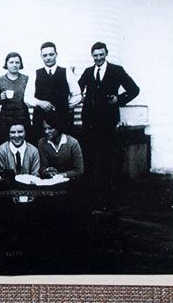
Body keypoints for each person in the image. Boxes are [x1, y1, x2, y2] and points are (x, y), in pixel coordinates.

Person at [77, 41, 140, 200]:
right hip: (89, 121)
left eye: (101, 55)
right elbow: (76, 89)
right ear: (92, 56)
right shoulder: (88, 71)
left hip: (107, 122)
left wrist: (118, 99)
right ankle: (90, 194)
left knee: (106, 157)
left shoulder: (116, 70)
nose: (98, 58)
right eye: (95, 55)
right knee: (89, 157)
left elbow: (134, 89)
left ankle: (106, 194)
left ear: (106, 54)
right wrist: (81, 96)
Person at [24, 41, 81, 135]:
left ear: (56, 54)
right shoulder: (35, 73)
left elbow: (77, 95)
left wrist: (65, 105)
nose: (48, 58)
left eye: (51, 54)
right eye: (45, 55)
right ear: (41, 56)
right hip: (41, 119)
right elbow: (27, 97)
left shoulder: (66, 72)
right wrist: (40, 103)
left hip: (62, 118)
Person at [0, 51, 31, 144]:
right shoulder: (0, 80)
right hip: (5, 117)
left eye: (17, 62)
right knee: (3, 142)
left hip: (22, 115)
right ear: (6, 64)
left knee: (25, 142)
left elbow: (31, 96)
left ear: (21, 64)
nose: (14, 65)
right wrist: (1, 98)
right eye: (11, 62)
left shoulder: (26, 79)